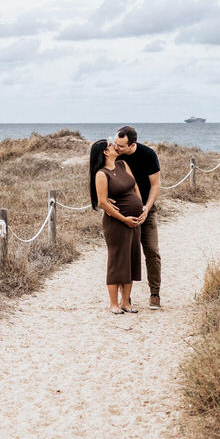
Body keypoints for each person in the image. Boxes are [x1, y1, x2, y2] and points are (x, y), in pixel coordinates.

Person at [88, 138, 144, 314]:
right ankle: (113, 303)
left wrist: (141, 207)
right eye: (112, 145)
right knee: (117, 261)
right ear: (105, 152)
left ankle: (126, 302)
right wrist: (124, 219)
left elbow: (135, 186)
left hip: (134, 221)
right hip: (116, 223)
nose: (115, 146)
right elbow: (103, 203)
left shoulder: (122, 165)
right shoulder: (101, 174)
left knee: (131, 258)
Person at [112, 126, 162, 309]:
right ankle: (126, 298)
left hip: (146, 211)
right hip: (122, 212)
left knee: (151, 251)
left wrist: (147, 208)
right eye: (115, 143)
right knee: (124, 255)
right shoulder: (113, 153)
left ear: (132, 144)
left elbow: (155, 185)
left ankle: (155, 293)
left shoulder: (148, 155)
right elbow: (102, 176)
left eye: (121, 146)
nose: (116, 147)